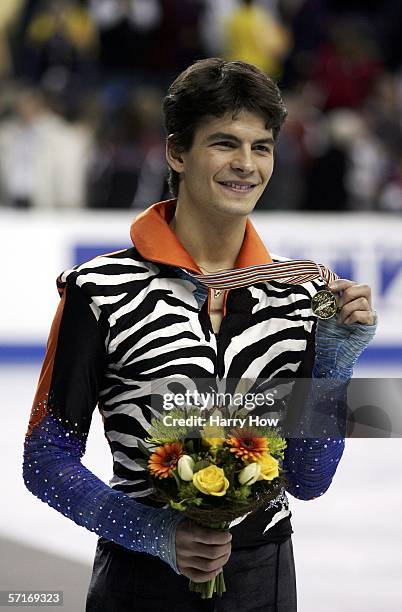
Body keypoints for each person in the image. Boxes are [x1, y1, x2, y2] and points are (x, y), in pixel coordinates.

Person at [23, 58, 377, 611]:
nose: (246, 165)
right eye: (224, 143)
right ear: (176, 152)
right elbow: (45, 458)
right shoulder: (98, 289)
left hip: (265, 581)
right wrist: (155, 535)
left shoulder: (300, 294)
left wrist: (335, 361)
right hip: (137, 582)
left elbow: (309, 480)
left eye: (261, 147)